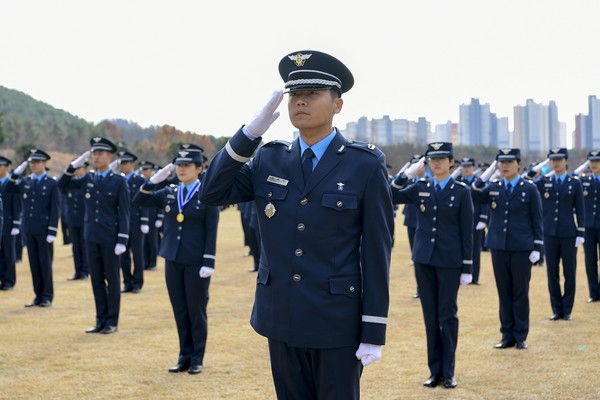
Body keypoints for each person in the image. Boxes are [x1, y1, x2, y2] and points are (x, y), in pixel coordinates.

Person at [199, 50, 394, 399]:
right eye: (294, 95)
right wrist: (249, 134)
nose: (300, 102)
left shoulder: (364, 165)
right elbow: (212, 191)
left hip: (336, 321)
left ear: (338, 105)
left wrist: (373, 328)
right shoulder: (269, 157)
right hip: (281, 317)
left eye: (312, 94)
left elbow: (377, 251)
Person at [390, 142, 473, 389]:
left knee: (447, 316)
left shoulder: (461, 191)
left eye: (441, 158)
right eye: (431, 159)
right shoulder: (420, 187)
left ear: (451, 161)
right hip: (424, 259)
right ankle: (433, 371)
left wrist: (467, 267)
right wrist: (407, 173)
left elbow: (466, 232)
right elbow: (391, 194)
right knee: (429, 316)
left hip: (449, 261)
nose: (436, 163)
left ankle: (448, 372)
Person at [133, 144, 219, 375]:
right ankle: (184, 356)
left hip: (196, 261)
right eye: (178, 165)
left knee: (196, 310)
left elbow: (211, 231)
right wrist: (154, 181)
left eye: (187, 165)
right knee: (180, 309)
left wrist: (208, 262)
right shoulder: (170, 192)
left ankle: (197, 358)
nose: (181, 169)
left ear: (199, 168)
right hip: (172, 257)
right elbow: (138, 201)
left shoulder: (207, 194)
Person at [471, 148, 543, 350]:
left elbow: (536, 220)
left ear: (518, 164)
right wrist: (486, 173)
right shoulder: (494, 186)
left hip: (521, 247)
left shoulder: (529, 189)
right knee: (504, 292)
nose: (504, 166)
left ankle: (520, 335)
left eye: (509, 162)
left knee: (520, 292)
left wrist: (537, 247)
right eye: (501, 162)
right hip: (499, 246)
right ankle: (506, 335)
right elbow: (474, 194)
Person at [58, 137, 130, 334]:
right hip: (91, 237)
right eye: (94, 153)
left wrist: (122, 239)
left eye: (100, 153)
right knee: (96, 279)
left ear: (110, 156)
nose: (96, 157)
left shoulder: (119, 181)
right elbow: (62, 184)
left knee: (113, 280)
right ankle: (100, 320)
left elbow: (124, 212)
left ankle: (112, 321)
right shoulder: (88, 179)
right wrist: (74, 164)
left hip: (111, 238)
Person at [527, 148, 584, 320]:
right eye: (553, 160)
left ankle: (567, 310)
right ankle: (556, 309)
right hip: (549, 233)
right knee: (552, 273)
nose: (556, 163)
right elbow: (527, 180)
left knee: (569, 273)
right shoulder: (544, 182)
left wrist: (580, 232)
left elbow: (580, 210)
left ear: (566, 161)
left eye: (559, 159)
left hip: (568, 234)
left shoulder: (575, 183)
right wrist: (539, 167)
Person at [8, 150, 59, 307]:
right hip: (29, 229)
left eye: (37, 162)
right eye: (31, 162)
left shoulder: (51, 183)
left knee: (45, 263)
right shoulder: (25, 181)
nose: (34, 165)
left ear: (44, 164)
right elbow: (7, 189)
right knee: (34, 264)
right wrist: (16, 173)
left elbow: (55, 209)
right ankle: (38, 295)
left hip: (44, 230)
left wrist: (52, 230)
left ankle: (47, 296)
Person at [116, 150, 148, 293]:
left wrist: (144, 221)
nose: (123, 166)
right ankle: (127, 282)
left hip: (135, 221)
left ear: (132, 164)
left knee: (137, 254)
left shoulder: (140, 180)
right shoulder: (118, 180)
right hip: (122, 223)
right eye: (121, 163)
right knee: (123, 255)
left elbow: (144, 201)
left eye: (125, 163)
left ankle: (137, 283)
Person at [456, 157, 488, 285]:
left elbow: (484, 202)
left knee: (475, 250)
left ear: (474, 168)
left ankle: (474, 277)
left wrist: (483, 219)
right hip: (460, 222)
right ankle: (460, 274)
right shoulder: (458, 182)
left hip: (475, 220)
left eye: (469, 166)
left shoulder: (479, 182)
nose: (466, 169)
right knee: (460, 248)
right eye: (464, 166)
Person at [401, 154, 427, 298]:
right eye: (414, 165)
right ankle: (420, 289)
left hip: (425, 223)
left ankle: (424, 289)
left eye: (420, 165)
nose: (417, 168)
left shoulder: (430, 181)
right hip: (412, 220)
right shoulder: (409, 180)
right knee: (416, 256)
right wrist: (405, 174)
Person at [61, 161, 89, 280]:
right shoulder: (70, 184)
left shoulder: (87, 182)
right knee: (75, 247)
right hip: (72, 220)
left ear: (85, 169)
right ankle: (78, 271)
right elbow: (60, 185)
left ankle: (85, 271)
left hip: (85, 220)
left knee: (84, 247)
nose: (77, 171)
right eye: (75, 169)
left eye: (79, 168)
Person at [579, 150, 600, 303]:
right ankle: (594, 293)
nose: (593, 165)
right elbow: (572, 176)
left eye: (596, 161)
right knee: (590, 260)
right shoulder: (583, 181)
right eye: (591, 162)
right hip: (589, 227)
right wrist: (583, 166)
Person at [0, 156, 20, 291]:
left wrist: (16, 224)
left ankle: (9, 280)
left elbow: (17, 205)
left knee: (9, 252)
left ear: (7, 167)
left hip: (8, 223)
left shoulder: (12, 182)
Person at [139, 160, 161, 271]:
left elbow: (160, 201)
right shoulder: (141, 182)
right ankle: (145, 262)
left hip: (152, 215)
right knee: (144, 242)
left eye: (146, 170)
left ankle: (152, 263)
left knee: (152, 240)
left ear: (151, 171)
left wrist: (160, 217)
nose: (144, 172)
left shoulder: (155, 183)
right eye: (142, 170)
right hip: (142, 215)